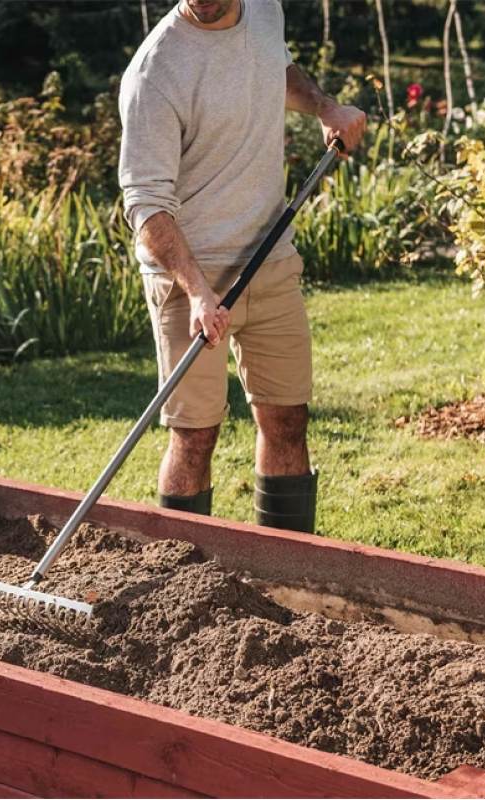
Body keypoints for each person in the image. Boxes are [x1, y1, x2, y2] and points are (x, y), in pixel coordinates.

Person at [118, 0, 366, 532]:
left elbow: (276, 67)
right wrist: (198, 291)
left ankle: (285, 570)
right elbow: (145, 205)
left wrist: (324, 107)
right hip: (191, 272)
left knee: (286, 419)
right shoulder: (155, 71)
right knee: (195, 433)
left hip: (269, 257)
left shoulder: (264, 9)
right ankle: (186, 586)